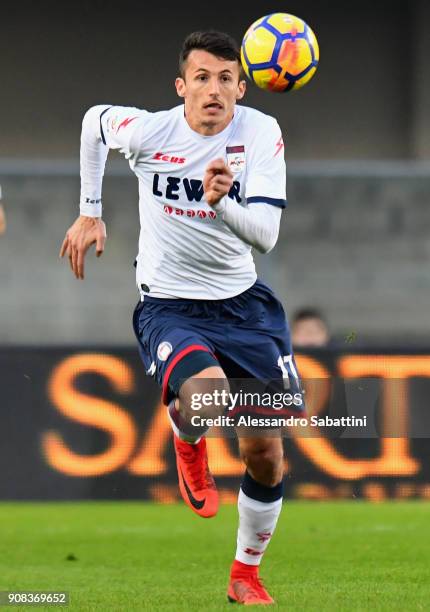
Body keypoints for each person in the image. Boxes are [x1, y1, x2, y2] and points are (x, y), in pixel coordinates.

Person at [60, 31, 304, 605]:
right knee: (207, 396)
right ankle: (186, 436)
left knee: (266, 453)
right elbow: (95, 121)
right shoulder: (150, 132)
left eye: (225, 78)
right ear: (181, 87)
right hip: (169, 304)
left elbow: (265, 237)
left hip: (246, 308)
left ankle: (245, 574)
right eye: (202, 77)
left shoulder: (260, 133)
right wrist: (89, 212)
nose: (214, 90)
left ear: (242, 88)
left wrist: (224, 204)